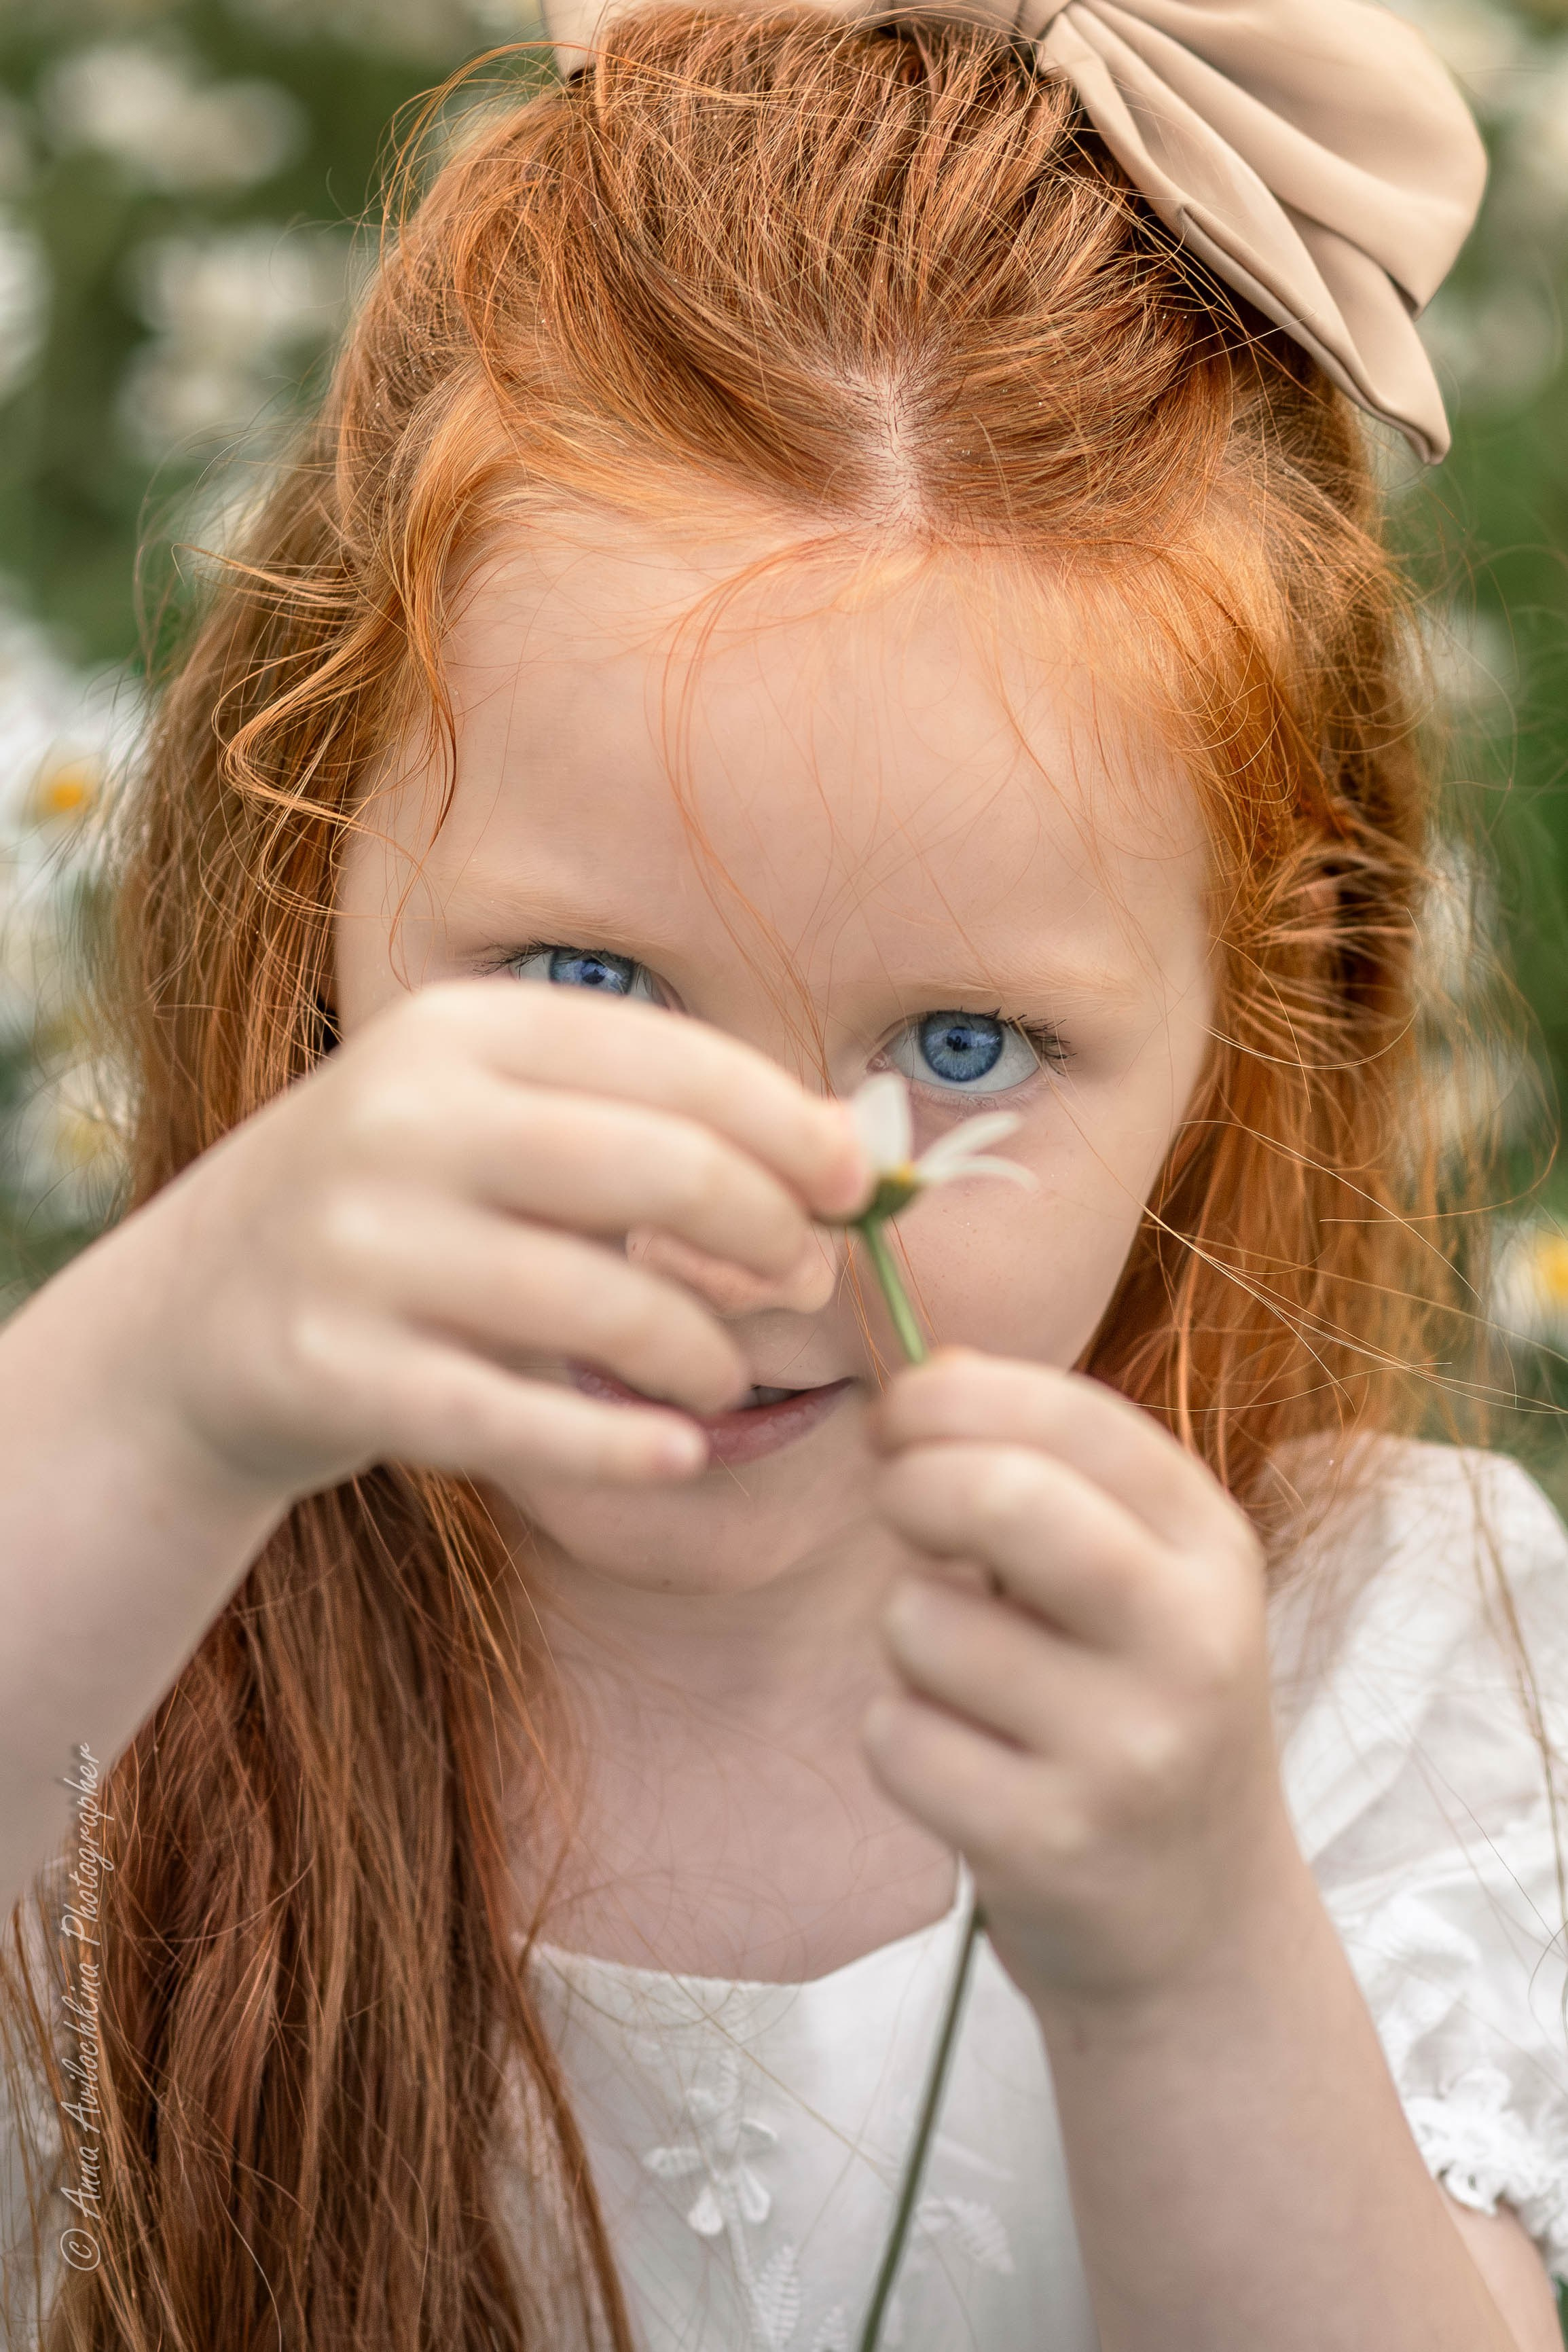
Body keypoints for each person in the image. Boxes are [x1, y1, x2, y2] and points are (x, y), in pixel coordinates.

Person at [0, 1, 1565, 2345]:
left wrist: (1189, 1958)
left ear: (1258, 1009)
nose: (744, 1214)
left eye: (962, 1047)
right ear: (313, 857)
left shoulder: (1367, 1652)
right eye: (591, 987)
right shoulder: (115, 1597)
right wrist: (159, 1395)